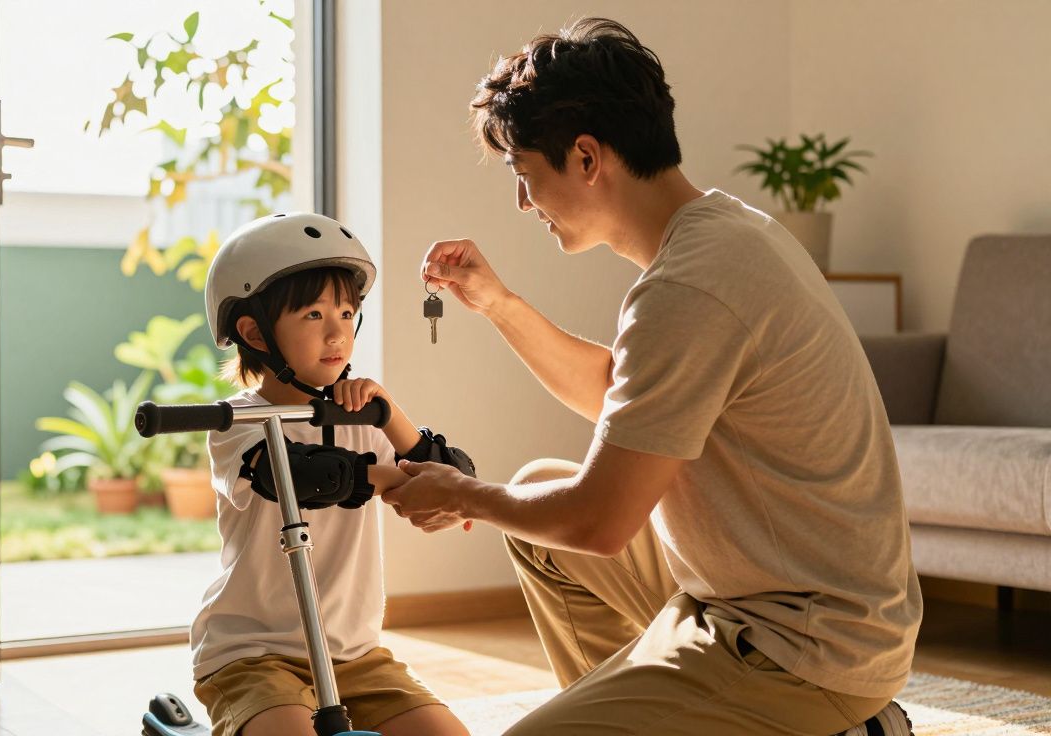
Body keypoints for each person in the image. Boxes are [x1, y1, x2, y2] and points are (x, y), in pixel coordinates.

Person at [382, 18, 921, 736]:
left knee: (550, 517)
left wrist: (464, 493)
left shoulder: (691, 286)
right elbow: (622, 393)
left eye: (525, 176)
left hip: (804, 647)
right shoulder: (725, 234)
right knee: (542, 504)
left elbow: (601, 522)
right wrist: (500, 306)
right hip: (749, 599)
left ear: (584, 157)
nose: (522, 203)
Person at [189, 212, 474, 736]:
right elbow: (300, 479)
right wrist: (389, 480)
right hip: (254, 655)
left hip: (356, 656)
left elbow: (451, 480)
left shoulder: (362, 418)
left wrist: (391, 414)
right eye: (314, 315)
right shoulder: (238, 422)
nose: (338, 330)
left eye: (347, 311)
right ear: (254, 332)